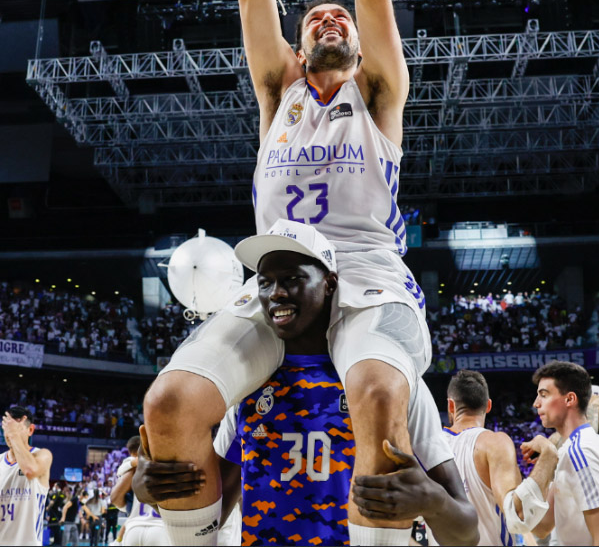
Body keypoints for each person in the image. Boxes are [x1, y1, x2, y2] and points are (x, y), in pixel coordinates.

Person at [143, 0, 434, 547]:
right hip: (275, 279)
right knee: (168, 407)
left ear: (362, 49)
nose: (331, 17)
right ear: (298, 52)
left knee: (376, 396)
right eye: (315, 19)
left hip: (367, 277)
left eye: (342, 20)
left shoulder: (378, 93)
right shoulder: (279, 94)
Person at [134, 221, 478, 547]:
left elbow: (467, 535)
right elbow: (213, 512)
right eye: (265, 283)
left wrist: (434, 502)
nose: (276, 293)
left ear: (329, 283)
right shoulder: (247, 383)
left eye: (292, 278)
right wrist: (160, 489)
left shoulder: (386, 382)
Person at [353, 370, 557, 546]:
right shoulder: (494, 442)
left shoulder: (422, 451)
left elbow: (393, 523)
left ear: (451, 406)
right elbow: (521, 517)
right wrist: (548, 453)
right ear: (488, 406)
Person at [526, 360, 599, 546]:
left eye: (544, 395)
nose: (536, 403)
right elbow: (541, 526)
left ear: (569, 399)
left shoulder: (582, 451)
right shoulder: (568, 449)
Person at [0, 406, 51, 547]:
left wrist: (14, 435)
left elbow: (29, 470)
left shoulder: (42, 456)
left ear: (30, 430)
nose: (9, 433)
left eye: (16, 428)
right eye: (7, 428)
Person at [110, 436, 168, 546]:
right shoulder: (166, 463)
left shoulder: (132, 464)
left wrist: (133, 464)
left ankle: (117, 541)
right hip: (161, 526)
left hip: (134, 525)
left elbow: (115, 497)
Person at [47, 481, 67, 546]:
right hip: (59, 513)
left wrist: (47, 508)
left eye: (54, 486)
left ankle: (55, 542)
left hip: (54, 513)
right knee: (58, 527)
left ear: (57, 487)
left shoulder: (56, 494)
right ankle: (58, 541)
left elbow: (52, 502)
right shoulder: (62, 494)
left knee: (54, 527)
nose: (53, 487)